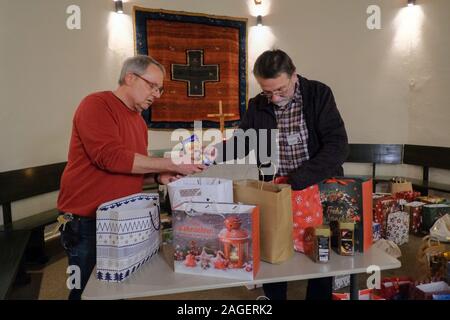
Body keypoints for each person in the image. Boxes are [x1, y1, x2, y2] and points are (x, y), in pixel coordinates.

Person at [57, 55, 205, 300]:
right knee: (87, 291)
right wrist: (173, 162)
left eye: (160, 89)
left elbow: (128, 171)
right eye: (152, 86)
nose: (157, 94)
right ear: (130, 77)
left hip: (120, 219)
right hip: (87, 221)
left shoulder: (138, 122)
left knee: (118, 288)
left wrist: (159, 177)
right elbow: (110, 157)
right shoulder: (96, 104)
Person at [216, 49, 349, 299]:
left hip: (315, 188)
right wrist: (210, 153)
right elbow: (242, 142)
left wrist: (297, 179)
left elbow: (337, 145)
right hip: (274, 192)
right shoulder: (257, 105)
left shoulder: (318, 94)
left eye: (281, 90)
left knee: (318, 254)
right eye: (268, 92)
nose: (275, 98)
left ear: (294, 75)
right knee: (273, 252)